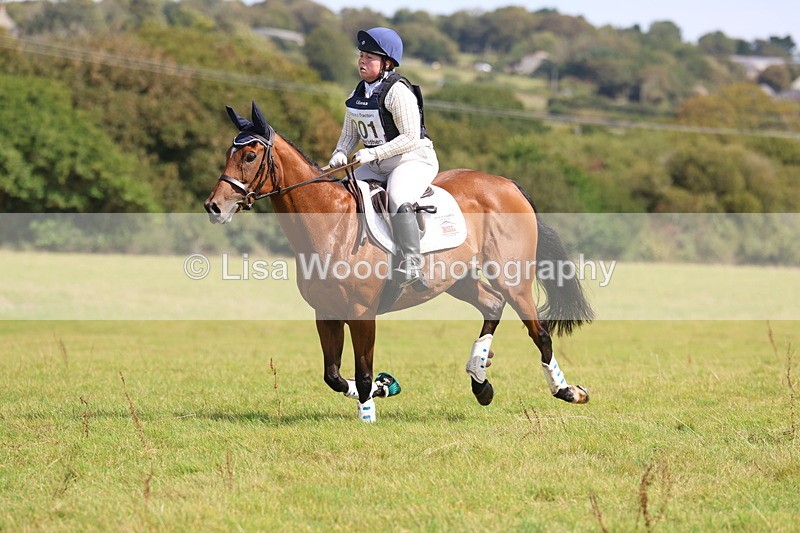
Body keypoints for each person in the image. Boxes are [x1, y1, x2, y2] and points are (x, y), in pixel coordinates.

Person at [328, 27, 438, 291]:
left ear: (387, 63)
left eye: (370, 57)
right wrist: (339, 152)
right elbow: (349, 134)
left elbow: (410, 137)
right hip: (378, 163)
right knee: (341, 194)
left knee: (398, 198)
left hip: (412, 159)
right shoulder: (359, 92)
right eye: (361, 56)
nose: (362, 61)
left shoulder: (397, 91)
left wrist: (374, 152)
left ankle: (412, 263)